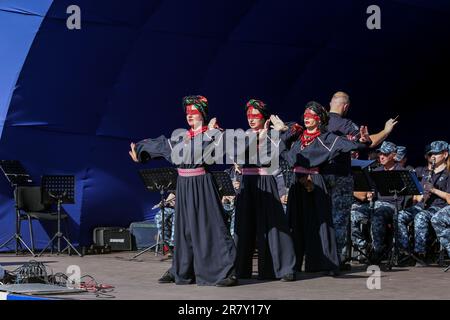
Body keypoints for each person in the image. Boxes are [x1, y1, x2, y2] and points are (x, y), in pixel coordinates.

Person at [129, 95, 237, 287]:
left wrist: (211, 133)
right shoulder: (183, 137)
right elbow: (163, 146)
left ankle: (226, 271)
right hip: (184, 184)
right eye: (187, 113)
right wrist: (141, 151)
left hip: (201, 183)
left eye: (194, 112)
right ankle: (182, 269)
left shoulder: (214, 133)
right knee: (184, 230)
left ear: (202, 114)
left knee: (211, 226)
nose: (189, 116)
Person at [284, 101, 371, 274]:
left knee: (321, 223)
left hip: (315, 182)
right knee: (295, 223)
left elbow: (352, 145)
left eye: (312, 115)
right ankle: (293, 264)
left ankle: (327, 263)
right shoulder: (298, 136)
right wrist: (286, 130)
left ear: (319, 119)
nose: (307, 118)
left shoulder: (328, 138)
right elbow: (282, 149)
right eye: (306, 115)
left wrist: (363, 141)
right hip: (296, 183)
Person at [325, 91, 395, 268]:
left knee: (321, 217)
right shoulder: (347, 124)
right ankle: (337, 260)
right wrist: (386, 130)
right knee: (340, 219)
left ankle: (319, 257)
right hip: (340, 177)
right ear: (346, 106)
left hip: (319, 177)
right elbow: (368, 142)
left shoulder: (320, 122)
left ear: (330, 103)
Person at [233, 99, 296, 281]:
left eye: (255, 116)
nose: (251, 119)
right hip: (247, 182)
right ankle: (240, 269)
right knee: (244, 225)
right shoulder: (243, 135)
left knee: (273, 225)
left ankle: (283, 268)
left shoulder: (274, 135)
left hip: (266, 181)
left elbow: (296, 137)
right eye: (248, 116)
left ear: (264, 117)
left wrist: (283, 129)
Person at [398, 141, 450, 266]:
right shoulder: (426, 173)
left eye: (436, 153)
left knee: (421, 217)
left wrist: (433, 190)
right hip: (422, 206)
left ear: (445, 154)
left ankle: (420, 253)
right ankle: (406, 252)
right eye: (430, 153)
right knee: (399, 216)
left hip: (438, 208)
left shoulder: (448, 173)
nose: (432, 156)